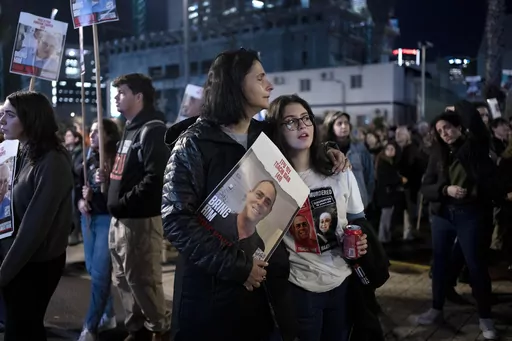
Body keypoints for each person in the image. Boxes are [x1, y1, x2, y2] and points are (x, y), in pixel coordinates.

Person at [162, 48, 350, 341]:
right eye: (260, 78)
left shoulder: (265, 135)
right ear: (236, 84)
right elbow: (175, 220)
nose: (269, 85)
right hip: (207, 299)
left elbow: (302, 142)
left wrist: (328, 151)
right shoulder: (194, 144)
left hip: (259, 300)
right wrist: (237, 266)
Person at [266, 94, 371, 341]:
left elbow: (357, 218)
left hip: (342, 281)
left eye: (306, 118)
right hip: (300, 288)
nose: (302, 126)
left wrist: (362, 239)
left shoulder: (339, 171)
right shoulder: (271, 182)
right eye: (290, 121)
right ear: (277, 129)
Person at [96, 74, 170, 341]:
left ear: (138, 97)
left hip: (139, 220)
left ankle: (158, 329)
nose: (116, 97)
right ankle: (136, 328)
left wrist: (124, 202)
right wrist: (108, 180)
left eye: (122, 92)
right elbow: (128, 172)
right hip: (120, 219)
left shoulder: (153, 130)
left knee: (144, 280)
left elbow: (155, 178)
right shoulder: (129, 128)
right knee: (123, 279)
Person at [417, 101, 498, 339]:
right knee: (440, 264)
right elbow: (425, 186)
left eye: (448, 128)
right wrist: (445, 190)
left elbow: (475, 122)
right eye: (440, 132)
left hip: (471, 214)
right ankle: (436, 309)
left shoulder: (475, 146)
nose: (445, 134)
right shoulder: (437, 153)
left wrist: (457, 107)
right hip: (444, 215)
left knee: (476, 265)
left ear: (459, 127)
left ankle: (486, 318)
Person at [0, 91, 73, 341]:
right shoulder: (19, 152)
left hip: (34, 264)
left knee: (22, 330)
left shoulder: (52, 161)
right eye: (1, 114)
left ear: (30, 118)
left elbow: (34, 229)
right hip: (14, 259)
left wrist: (3, 274)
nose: (2, 121)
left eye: (9, 115)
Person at [77, 119, 121, 341]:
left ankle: (90, 326)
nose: (92, 135)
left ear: (109, 135)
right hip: (88, 218)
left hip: (106, 218)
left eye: (97, 131)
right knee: (93, 269)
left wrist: (108, 181)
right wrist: (80, 200)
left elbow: (123, 188)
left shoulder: (116, 156)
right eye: (91, 131)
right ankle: (108, 313)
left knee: (101, 274)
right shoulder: (85, 156)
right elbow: (76, 184)